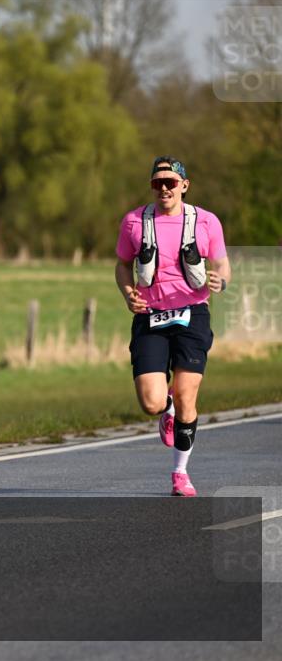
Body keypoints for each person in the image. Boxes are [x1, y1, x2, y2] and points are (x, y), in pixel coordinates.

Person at [115, 156, 230, 497]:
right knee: (151, 402)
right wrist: (127, 293)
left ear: (184, 185)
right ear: (152, 186)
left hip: (192, 314)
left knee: (186, 395)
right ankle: (164, 410)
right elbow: (122, 265)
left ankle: (180, 472)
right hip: (149, 314)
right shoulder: (135, 222)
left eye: (170, 182)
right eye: (157, 183)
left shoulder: (206, 222)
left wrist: (220, 282)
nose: (164, 188)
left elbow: (223, 265)